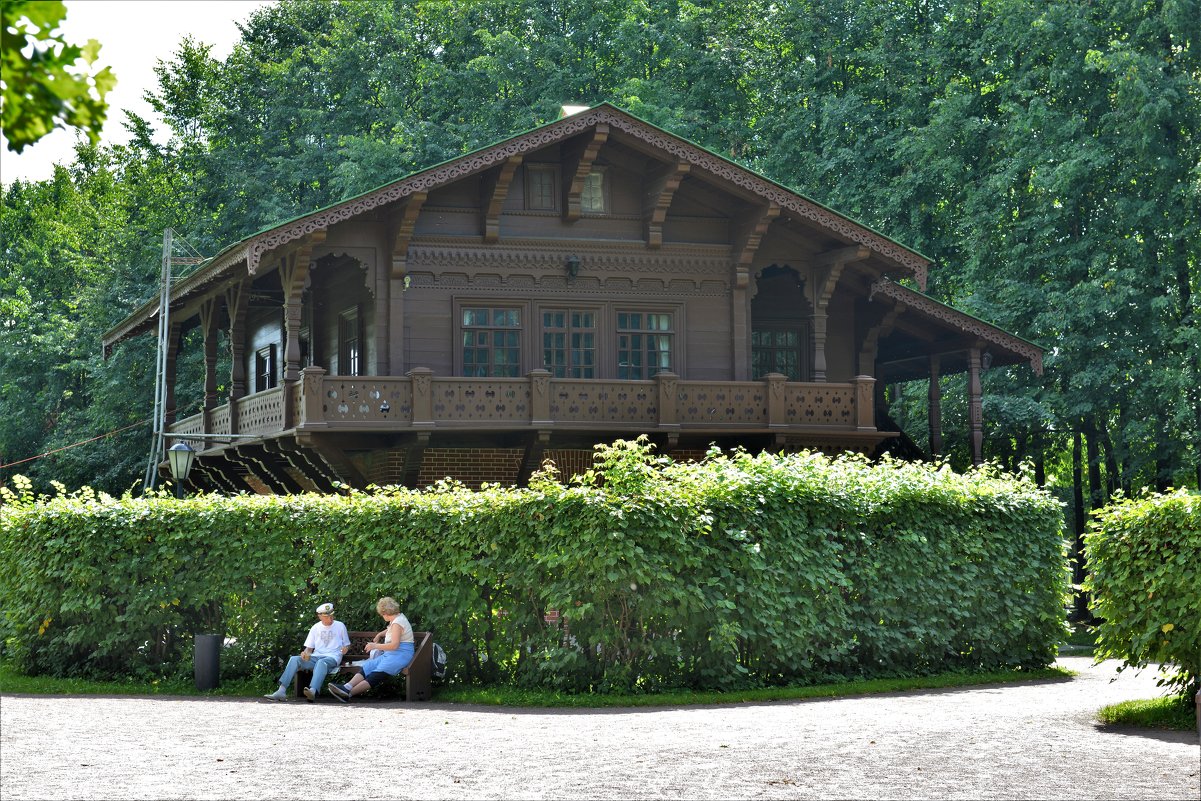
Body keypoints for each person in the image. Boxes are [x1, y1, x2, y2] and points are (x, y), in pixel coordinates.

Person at [328, 597, 413, 702]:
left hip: (400, 654)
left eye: (382, 614)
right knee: (369, 666)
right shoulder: (397, 619)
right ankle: (346, 687)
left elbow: (394, 645)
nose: (382, 616)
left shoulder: (397, 623)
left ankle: (348, 694)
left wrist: (375, 646)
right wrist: (379, 634)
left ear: (385, 613)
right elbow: (391, 631)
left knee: (377, 673)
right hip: (392, 654)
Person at [264, 602, 351, 701]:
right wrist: (305, 654)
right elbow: (309, 649)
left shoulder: (340, 625)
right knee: (294, 659)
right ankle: (281, 691)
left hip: (333, 657)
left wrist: (345, 649)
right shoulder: (315, 627)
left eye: (331, 615)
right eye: (327, 616)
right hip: (316, 657)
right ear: (320, 616)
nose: (330, 618)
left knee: (321, 662)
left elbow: (347, 644)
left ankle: (312, 691)